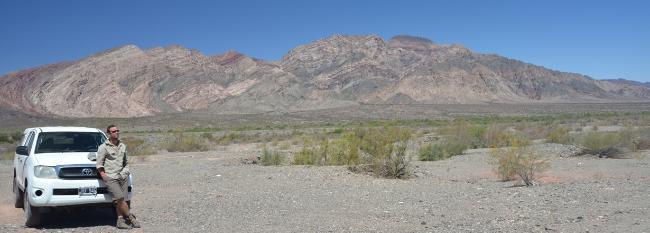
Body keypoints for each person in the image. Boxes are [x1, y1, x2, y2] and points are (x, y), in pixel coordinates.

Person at [96, 124, 141, 229]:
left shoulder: (123, 146)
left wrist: (124, 173)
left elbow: (126, 163)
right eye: (113, 131)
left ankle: (120, 221)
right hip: (111, 177)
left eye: (117, 130)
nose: (116, 132)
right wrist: (104, 176)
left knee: (122, 200)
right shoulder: (103, 147)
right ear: (109, 134)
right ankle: (130, 217)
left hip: (122, 176)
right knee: (119, 198)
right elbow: (99, 164)